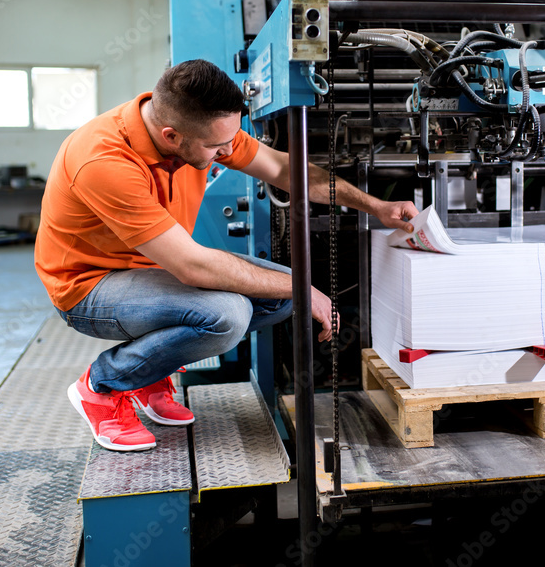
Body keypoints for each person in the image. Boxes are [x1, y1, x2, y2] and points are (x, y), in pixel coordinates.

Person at [34, 59, 417, 452]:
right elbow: (191, 265)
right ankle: (101, 386)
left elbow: (285, 169)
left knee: (279, 296)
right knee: (227, 315)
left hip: (150, 272)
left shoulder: (205, 132)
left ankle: (149, 373)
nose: (229, 150)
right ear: (171, 136)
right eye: (217, 147)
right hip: (88, 288)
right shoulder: (103, 162)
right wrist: (303, 287)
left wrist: (375, 207)